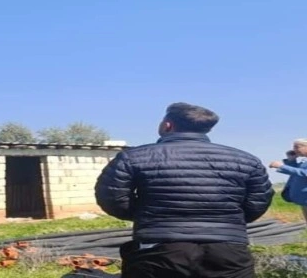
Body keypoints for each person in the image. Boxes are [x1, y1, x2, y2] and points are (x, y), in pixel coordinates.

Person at [95, 102, 274, 278]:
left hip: (158, 247)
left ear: (167, 125)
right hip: (228, 248)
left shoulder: (132, 157)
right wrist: (229, 219)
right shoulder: (246, 160)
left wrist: (148, 215)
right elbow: (257, 202)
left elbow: (112, 197)